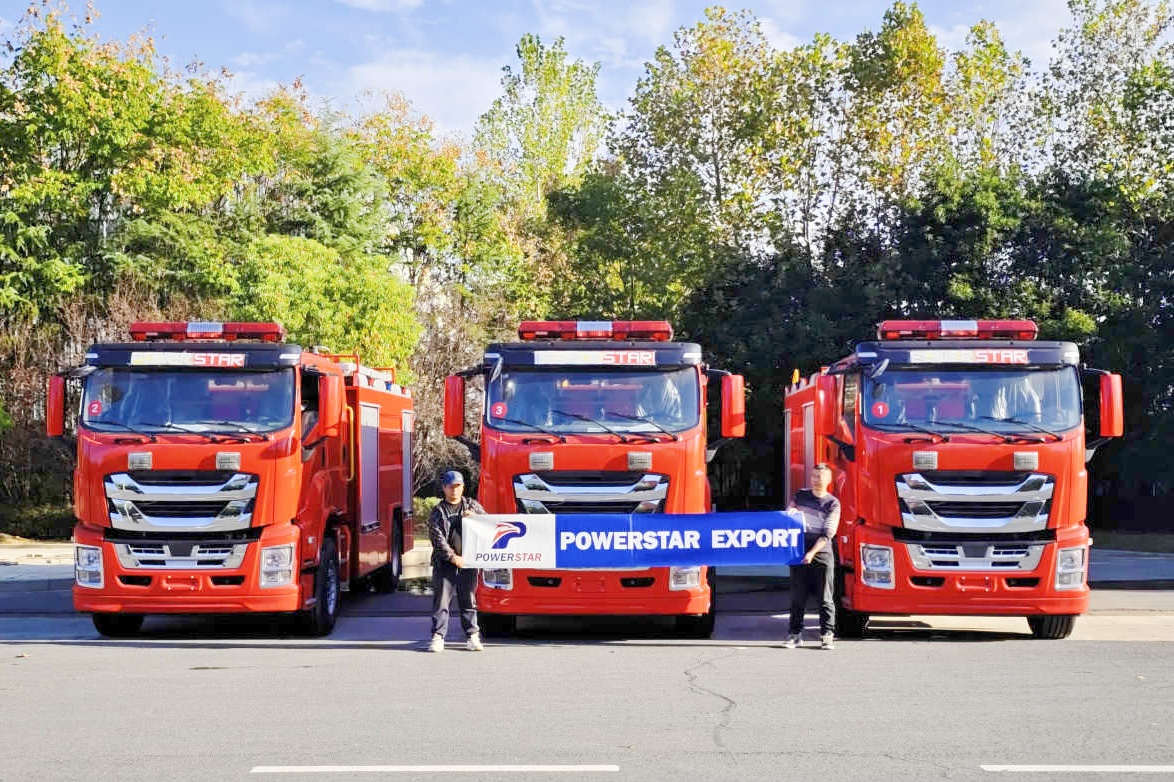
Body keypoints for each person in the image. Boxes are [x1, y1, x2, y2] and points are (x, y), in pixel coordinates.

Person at [427, 470, 486, 653]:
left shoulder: (472, 506)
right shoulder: (438, 511)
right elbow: (437, 539)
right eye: (451, 487)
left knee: (468, 599)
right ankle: (438, 636)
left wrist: (475, 519)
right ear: (444, 488)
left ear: (463, 487)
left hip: (468, 562)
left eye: (458, 486)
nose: (455, 490)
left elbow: (488, 526)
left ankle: (472, 636)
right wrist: (453, 557)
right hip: (444, 563)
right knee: (442, 601)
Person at [784, 463, 841, 650]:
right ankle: (794, 635)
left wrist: (811, 553)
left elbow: (827, 534)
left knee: (825, 598)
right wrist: (790, 512)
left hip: (822, 554)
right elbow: (789, 511)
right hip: (798, 552)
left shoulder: (833, 503)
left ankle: (827, 635)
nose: (817, 479)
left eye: (821, 476)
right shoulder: (801, 495)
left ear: (828, 480)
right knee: (797, 597)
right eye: (814, 476)